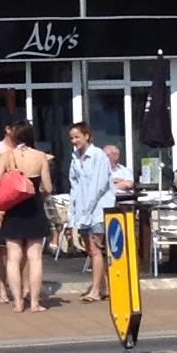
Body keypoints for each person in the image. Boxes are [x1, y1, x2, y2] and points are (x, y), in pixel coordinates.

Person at [0, 122, 53, 313]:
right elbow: (48, 188)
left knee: (13, 258)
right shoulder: (41, 156)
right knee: (35, 258)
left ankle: (18, 302)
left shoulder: (6, 156)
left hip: (13, 209)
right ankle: (34, 302)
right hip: (34, 208)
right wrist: (38, 195)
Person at [65, 124, 113, 303]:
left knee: (95, 248)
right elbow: (74, 186)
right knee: (90, 250)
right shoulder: (75, 158)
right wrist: (73, 214)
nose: (74, 141)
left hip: (98, 208)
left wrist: (87, 210)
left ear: (86, 136)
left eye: (77, 137)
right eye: (72, 138)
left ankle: (95, 290)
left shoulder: (98, 155)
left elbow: (98, 186)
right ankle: (104, 286)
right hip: (83, 210)